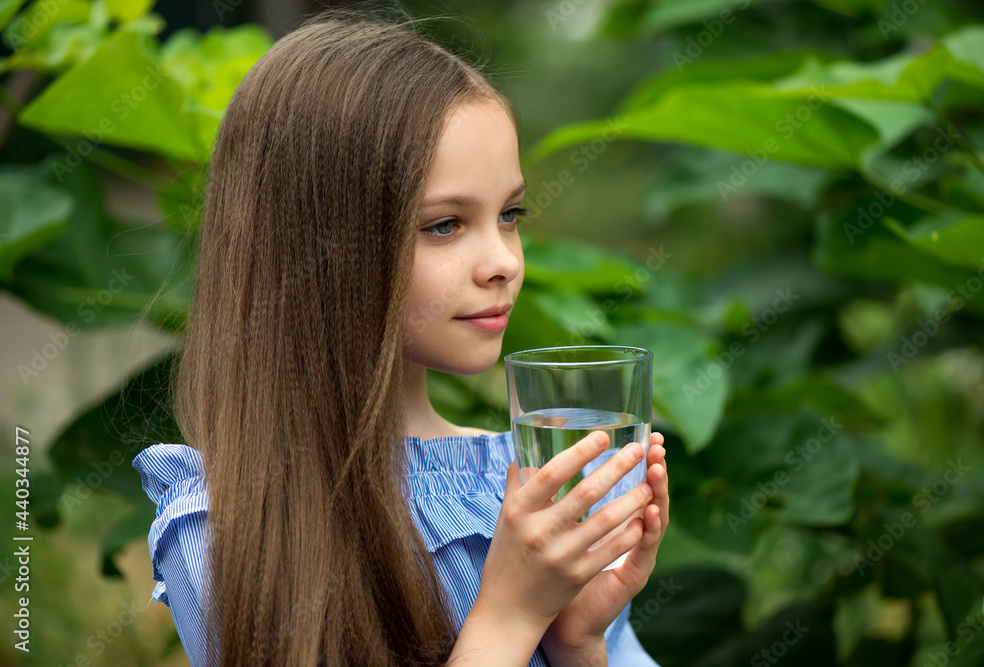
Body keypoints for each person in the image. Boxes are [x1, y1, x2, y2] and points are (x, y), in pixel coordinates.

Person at [132, 9, 670, 667]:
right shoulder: (229, 527)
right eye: (445, 224)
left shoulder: (522, 486)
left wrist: (577, 639)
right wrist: (507, 614)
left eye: (509, 215)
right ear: (319, 251)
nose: (502, 259)